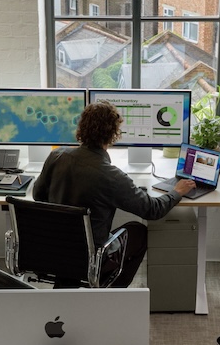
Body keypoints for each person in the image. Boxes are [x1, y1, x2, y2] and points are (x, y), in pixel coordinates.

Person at [32, 100, 195, 287]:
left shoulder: (56, 156)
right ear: (113, 134)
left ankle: (74, 285)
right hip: (90, 258)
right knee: (138, 232)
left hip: (53, 250)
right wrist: (177, 191)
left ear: (81, 128)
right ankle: (110, 293)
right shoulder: (111, 176)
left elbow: (37, 195)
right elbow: (152, 210)